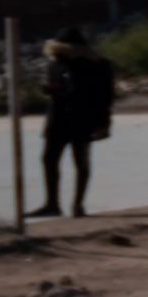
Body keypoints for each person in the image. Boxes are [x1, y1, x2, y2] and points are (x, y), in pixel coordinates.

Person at [36, 23, 115, 218]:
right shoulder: (55, 63)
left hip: (83, 118)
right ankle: (52, 203)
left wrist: (104, 124)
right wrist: (51, 90)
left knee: (80, 161)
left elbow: (105, 96)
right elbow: (58, 89)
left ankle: (78, 205)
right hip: (58, 118)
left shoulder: (99, 66)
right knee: (49, 159)